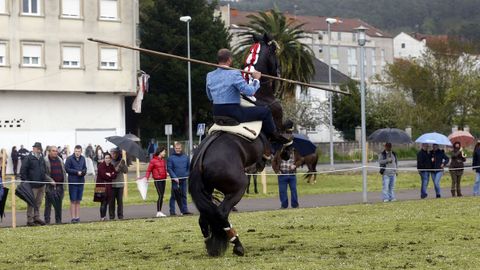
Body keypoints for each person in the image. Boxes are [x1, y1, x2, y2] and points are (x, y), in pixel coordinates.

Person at [205, 48, 289, 144]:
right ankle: (274, 137)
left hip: (216, 113)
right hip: (233, 113)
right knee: (265, 112)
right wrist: (256, 79)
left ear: (218, 59)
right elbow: (250, 92)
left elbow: (210, 97)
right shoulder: (234, 73)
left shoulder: (209, 75)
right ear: (229, 60)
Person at [20, 142, 54, 226]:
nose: (35, 149)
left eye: (37, 148)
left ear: (39, 149)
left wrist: (47, 180)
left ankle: (36, 217)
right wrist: (26, 182)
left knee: (38, 202)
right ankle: (30, 220)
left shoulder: (42, 158)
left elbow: (44, 171)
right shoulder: (28, 158)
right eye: (34, 148)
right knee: (31, 202)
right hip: (32, 185)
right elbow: (23, 171)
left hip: (41, 184)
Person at [44, 146, 67, 224]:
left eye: (56, 151)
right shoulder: (45, 160)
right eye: (53, 151)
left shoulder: (60, 160)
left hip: (60, 186)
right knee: (48, 205)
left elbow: (64, 172)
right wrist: (50, 180)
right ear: (49, 151)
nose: (55, 152)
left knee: (59, 204)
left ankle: (58, 221)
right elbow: (43, 174)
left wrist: (64, 185)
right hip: (50, 186)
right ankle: (47, 221)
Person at [167, 142, 191, 216]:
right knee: (173, 196)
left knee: (184, 195)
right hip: (175, 181)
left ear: (181, 148)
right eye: (176, 148)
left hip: (184, 180)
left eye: (179, 148)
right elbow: (169, 169)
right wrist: (174, 177)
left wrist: (186, 175)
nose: (178, 150)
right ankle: (172, 211)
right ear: (174, 148)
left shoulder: (186, 157)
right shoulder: (170, 158)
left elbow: (189, 168)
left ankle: (184, 210)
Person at [145, 146, 170, 217]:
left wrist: (166, 173)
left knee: (162, 196)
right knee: (160, 195)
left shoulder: (163, 160)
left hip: (163, 179)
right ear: (160, 152)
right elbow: (148, 170)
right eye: (164, 152)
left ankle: (160, 211)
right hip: (157, 180)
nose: (165, 153)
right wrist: (146, 178)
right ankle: (158, 212)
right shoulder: (153, 161)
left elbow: (164, 169)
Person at [65, 145, 87, 223]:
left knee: (78, 200)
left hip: (81, 182)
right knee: (73, 200)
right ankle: (73, 218)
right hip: (73, 182)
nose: (77, 153)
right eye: (76, 151)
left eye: (79, 151)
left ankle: (77, 217)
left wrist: (83, 172)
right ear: (74, 151)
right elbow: (67, 169)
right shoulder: (69, 159)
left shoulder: (83, 158)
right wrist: (76, 172)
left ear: (81, 152)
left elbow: (85, 168)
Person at [96, 153, 117, 221]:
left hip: (108, 187)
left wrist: (109, 174)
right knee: (103, 202)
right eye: (106, 158)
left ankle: (104, 216)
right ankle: (102, 217)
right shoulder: (101, 166)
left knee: (106, 202)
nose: (107, 159)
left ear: (110, 159)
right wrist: (110, 174)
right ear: (104, 159)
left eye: (108, 158)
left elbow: (115, 175)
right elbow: (103, 175)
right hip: (101, 186)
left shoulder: (111, 166)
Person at [110, 148, 128, 220]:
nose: (114, 155)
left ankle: (120, 216)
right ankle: (112, 216)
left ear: (118, 154)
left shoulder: (121, 161)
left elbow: (126, 171)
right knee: (111, 202)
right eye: (112, 153)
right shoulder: (110, 162)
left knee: (120, 202)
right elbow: (112, 171)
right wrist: (118, 166)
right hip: (111, 184)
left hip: (120, 184)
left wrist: (123, 165)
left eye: (115, 153)